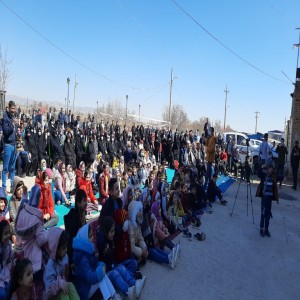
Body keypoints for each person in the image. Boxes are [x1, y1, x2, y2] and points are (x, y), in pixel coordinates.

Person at [97, 216, 145, 299]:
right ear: (105, 231)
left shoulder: (111, 238)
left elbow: (120, 231)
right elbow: (107, 263)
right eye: (111, 231)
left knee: (130, 264)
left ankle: (135, 284)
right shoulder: (102, 243)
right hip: (108, 272)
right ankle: (128, 290)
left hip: (115, 264)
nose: (114, 233)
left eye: (114, 230)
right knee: (118, 271)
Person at [72, 224, 121, 300]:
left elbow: (95, 264)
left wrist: (101, 266)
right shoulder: (82, 258)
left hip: (90, 286)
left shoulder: (87, 251)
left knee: (102, 275)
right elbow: (90, 278)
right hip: (85, 290)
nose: (92, 238)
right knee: (100, 277)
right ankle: (109, 298)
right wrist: (100, 272)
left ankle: (114, 295)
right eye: (90, 236)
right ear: (84, 239)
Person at [44, 227, 80, 299]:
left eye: (66, 246)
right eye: (63, 248)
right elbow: (48, 291)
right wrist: (59, 284)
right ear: (55, 249)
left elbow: (66, 275)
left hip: (63, 289)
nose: (66, 250)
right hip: (53, 296)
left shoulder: (65, 257)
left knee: (70, 285)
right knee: (64, 294)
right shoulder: (50, 266)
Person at [64, 189, 87, 267]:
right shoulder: (73, 216)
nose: (86, 203)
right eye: (83, 201)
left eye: (85, 200)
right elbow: (71, 239)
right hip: (74, 248)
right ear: (78, 203)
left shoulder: (82, 213)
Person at [256, 166, 278, 237]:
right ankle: (261, 229)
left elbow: (281, 177)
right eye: (269, 168)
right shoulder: (264, 175)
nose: (271, 169)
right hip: (264, 198)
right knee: (263, 214)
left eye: (272, 168)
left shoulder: (273, 176)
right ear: (267, 168)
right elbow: (258, 173)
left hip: (269, 199)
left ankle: (266, 230)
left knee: (268, 215)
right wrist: (261, 166)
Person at [2, 100, 18, 193]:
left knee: (12, 168)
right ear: (8, 108)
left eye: (14, 108)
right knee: (5, 168)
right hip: (8, 145)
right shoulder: (6, 118)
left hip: (14, 145)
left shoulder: (14, 117)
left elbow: (14, 132)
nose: (13, 110)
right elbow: (6, 131)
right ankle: (4, 188)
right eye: (12, 108)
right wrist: (12, 124)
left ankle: (13, 187)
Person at [0, 220, 12, 299]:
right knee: (2, 295)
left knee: (8, 291)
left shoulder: (9, 244)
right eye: (5, 234)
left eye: (9, 233)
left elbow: (9, 260)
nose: (8, 235)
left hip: (5, 271)